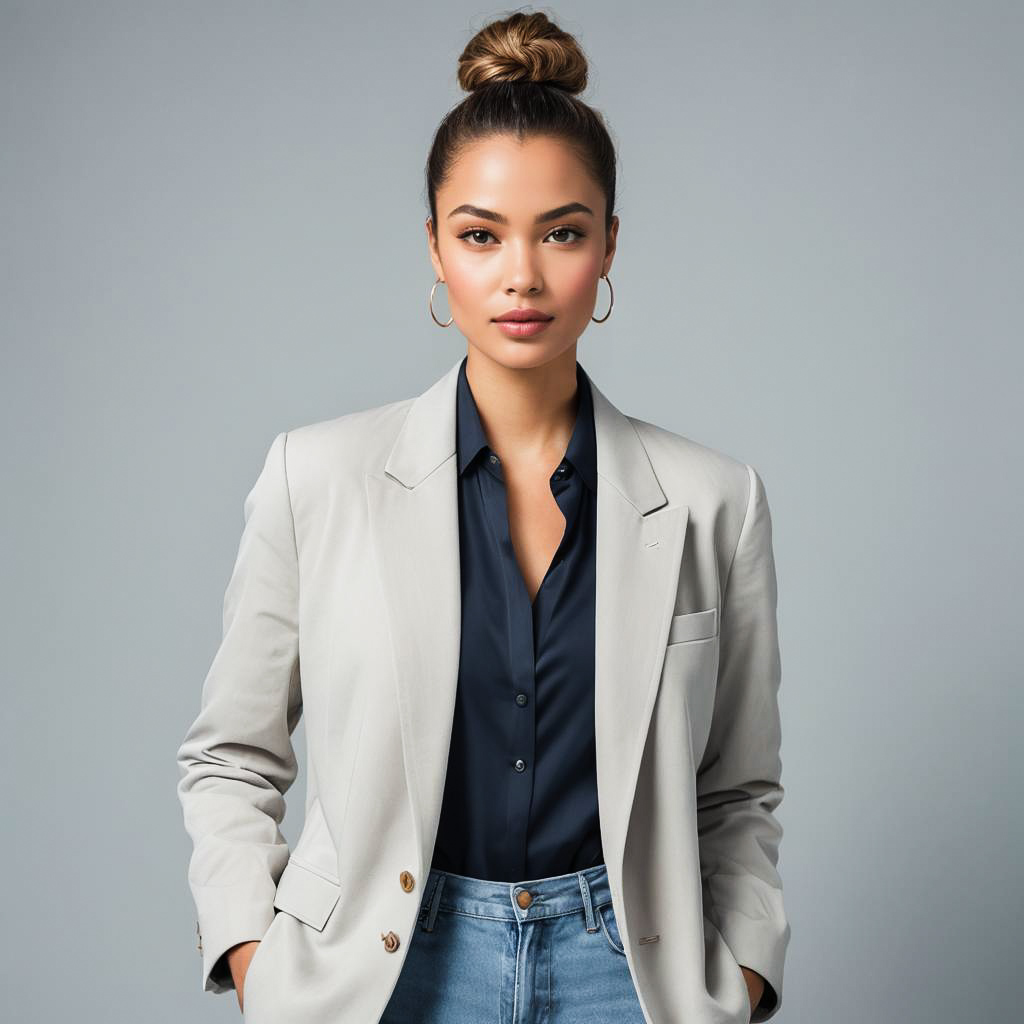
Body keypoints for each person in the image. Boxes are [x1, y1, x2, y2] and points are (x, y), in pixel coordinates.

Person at [176, 11, 790, 1024]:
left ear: (606, 248)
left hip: (628, 972)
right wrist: (255, 955)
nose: (521, 275)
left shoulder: (713, 499)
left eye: (562, 231)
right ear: (434, 247)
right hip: (388, 970)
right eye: (479, 233)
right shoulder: (316, 477)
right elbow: (230, 755)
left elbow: (738, 789)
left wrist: (743, 969)